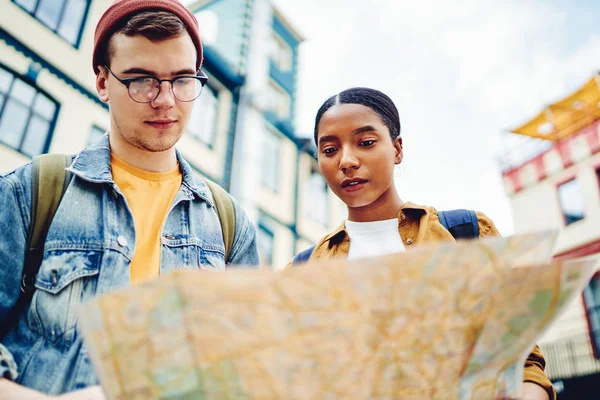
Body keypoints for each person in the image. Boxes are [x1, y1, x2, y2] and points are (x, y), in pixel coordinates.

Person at [0, 0, 259, 398]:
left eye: (182, 80)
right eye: (142, 80)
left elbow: (245, 370)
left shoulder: (230, 225)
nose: (165, 100)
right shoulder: (34, 190)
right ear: (102, 82)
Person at [292, 87, 555, 400]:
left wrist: (526, 393)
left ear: (397, 148)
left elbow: (521, 358)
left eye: (365, 142)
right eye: (330, 150)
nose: (346, 161)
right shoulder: (303, 272)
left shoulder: (466, 234)